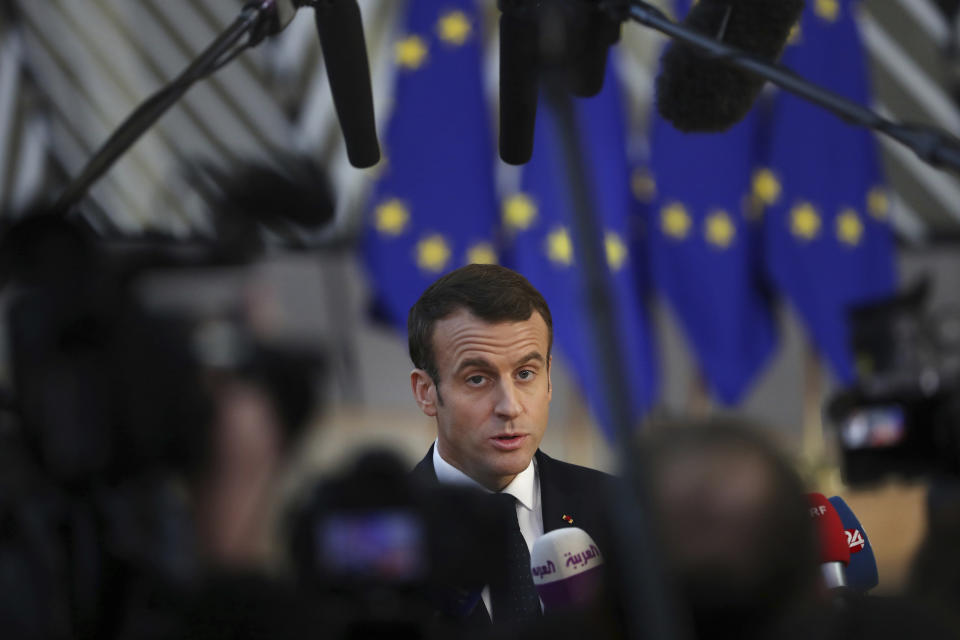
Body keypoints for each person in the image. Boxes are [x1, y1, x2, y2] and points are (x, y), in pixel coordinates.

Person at [407, 264, 614, 627]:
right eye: (477, 378)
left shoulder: (619, 512)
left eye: (525, 374)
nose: (510, 406)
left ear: (549, 379)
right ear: (426, 392)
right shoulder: (392, 529)